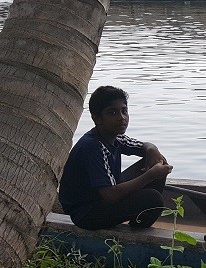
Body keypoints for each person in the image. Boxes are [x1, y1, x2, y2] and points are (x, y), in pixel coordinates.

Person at [58, 86, 173, 230]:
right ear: (97, 118)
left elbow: (142, 146)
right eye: (113, 113)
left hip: (103, 198)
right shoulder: (92, 146)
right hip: (87, 213)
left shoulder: (114, 137)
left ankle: (136, 217)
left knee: (155, 159)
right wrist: (150, 175)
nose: (121, 118)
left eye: (124, 111)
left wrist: (152, 149)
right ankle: (137, 225)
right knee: (153, 199)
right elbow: (110, 195)